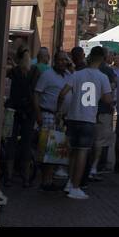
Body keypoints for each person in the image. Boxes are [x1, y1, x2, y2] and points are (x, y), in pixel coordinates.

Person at [58, 46, 112, 200]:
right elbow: (108, 99)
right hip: (88, 118)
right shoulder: (102, 77)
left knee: (73, 152)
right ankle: (76, 187)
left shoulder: (77, 74)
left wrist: (59, 110)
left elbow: (63, 93)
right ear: (101, 59)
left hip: (73, 117)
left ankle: (70, 182)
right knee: (82, 151)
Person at [33, 50, 71, 191]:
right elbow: (36, 94)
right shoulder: (47, 74)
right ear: (54, 61)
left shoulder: (68, 75)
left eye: (65, 60)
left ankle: (51, 179)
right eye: (60, 60)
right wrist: (38, 114)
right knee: (48, 149)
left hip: (62, 117)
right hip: (48, 114)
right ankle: (46, 181)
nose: (63, 62)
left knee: (57, 151)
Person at [3, 46, 39, 187]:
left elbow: (7, 90)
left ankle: (9, 177)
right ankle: (25, 178)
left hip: (13, 110)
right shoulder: (35, 72)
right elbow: (37, 92)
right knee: (26, 143)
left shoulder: (13, 72)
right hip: (29, 111)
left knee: (11, 143)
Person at [89, 48, 117, 178]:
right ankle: (98, 165)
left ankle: (90, 165)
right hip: (103, 109)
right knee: (101, 140)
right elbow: (110, 89)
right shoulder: (107, 71)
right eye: (110, 55)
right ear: (104, 57)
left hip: (88, 109)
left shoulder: (84, 70)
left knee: (91, 139)